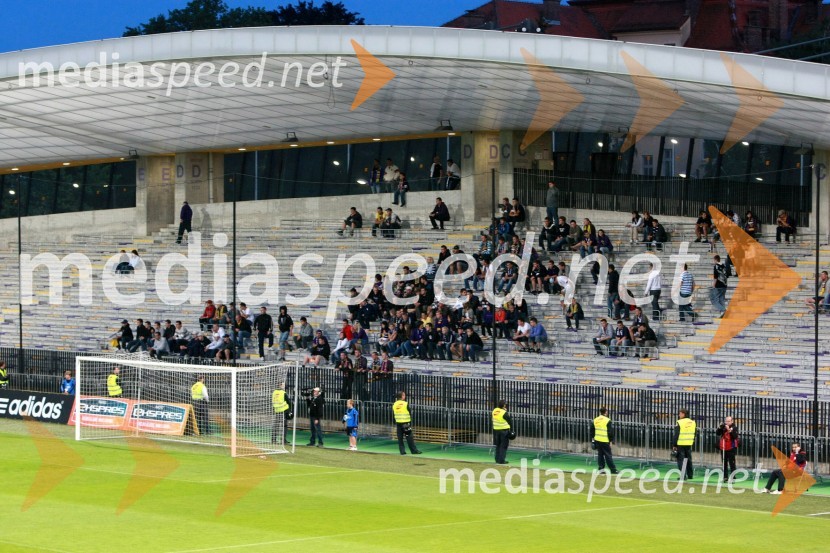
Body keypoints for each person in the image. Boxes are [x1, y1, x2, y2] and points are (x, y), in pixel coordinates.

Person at [590, 407, 618, 474]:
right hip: (605, 441)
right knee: (608, 455)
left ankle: (601, 469)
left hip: (597, 440)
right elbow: (610, 432)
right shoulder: (607, 420)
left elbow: (592, 431)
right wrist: (611, 441)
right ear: (606, 412)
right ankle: (613, 470)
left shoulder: (595, 420)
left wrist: (593, 440)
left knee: (600, 455)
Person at [392, 391, 421, 455]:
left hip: (398, 424)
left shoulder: (394, 404)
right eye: (404, 395)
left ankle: (402, 452)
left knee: (400, 438)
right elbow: (409, 412)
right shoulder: (405, 404)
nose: (405, 396)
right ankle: (414, 451)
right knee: (409, 437)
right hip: (405, 424)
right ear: (402, 396)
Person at [673, 408, 696, 480]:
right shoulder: (692, 422)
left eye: (680, 413)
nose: (679, 415)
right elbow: (695, 433)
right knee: (689, 459)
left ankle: (683, 476)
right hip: (689, 443)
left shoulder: (680, 422)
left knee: (681, 460)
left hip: (681, 443)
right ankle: (690, 475)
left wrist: (674, 445)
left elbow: (676, 434)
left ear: (683, 414)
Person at [716, 415, 739, 481]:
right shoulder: (723, 427)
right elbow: (718, 433)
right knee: (724, 462)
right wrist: (719, 427)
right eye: (726, 421)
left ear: (732, 421)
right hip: (723, 447)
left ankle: (733, 477)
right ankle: (725, 477)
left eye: (729, 421)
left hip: (731, 447)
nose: (727, 422)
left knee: (732, 463)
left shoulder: (734, 427)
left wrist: (729, 430)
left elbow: (735, 436)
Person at [492, 400, 512, 465]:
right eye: (505, 404)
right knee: (503, 446)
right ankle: (501, 460)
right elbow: (509, 420)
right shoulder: (504, 412)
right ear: (504, 405)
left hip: (496, 430)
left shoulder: (494, 410)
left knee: (498, 445)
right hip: (504, 431)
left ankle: (497, 459)